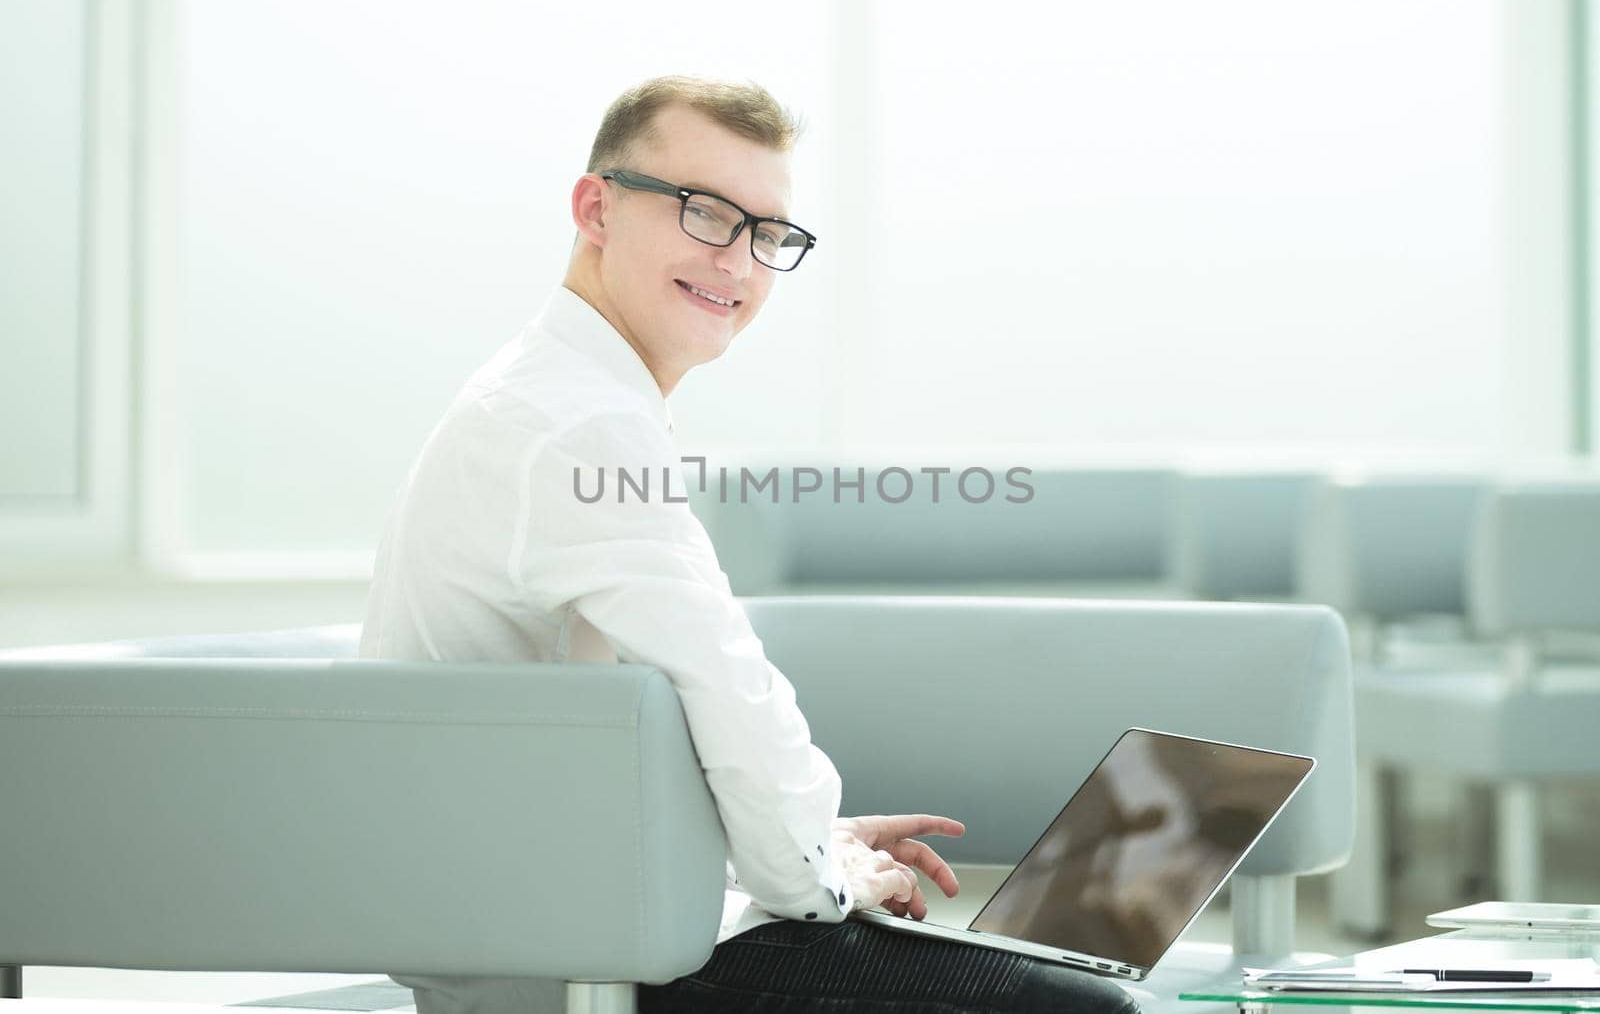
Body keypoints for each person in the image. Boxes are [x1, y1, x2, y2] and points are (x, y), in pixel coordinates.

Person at [360, 75, 1140, 1014]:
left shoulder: (550, 396)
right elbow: (724, 685)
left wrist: (818, 838)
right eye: (705, 213)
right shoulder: (573, 426)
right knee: (1084, 1006)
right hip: (579, 961)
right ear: (595, 207)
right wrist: (823, 871)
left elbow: (628, 742)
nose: (739, 261)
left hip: (576, 917)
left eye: (768, 232)